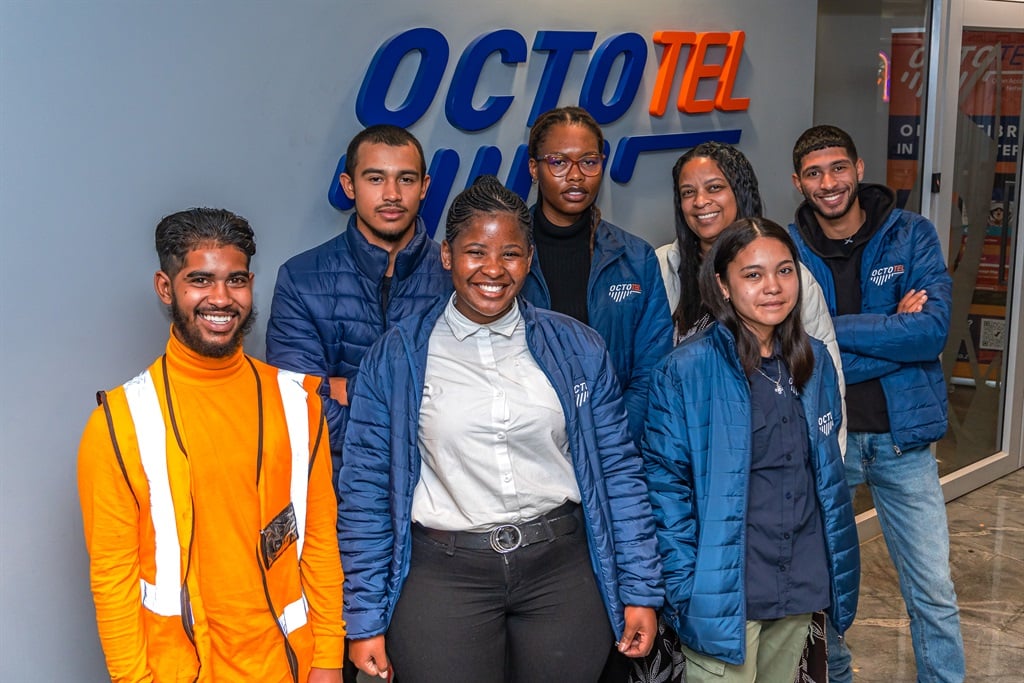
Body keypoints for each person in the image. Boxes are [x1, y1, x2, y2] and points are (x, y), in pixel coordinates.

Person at [338, 176, 663, 683]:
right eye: (476, 252)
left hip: (561, 574)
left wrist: (641, 590)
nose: (493, 269)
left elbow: (619, 472)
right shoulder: (398, 355)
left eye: (510, 253)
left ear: (529, 259)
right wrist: (364, 619)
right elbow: (366, 493)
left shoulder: (578, 347)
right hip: (444, 576)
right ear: (447, 256)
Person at [77, 208, 344, 682]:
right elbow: (112, 578)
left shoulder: (297, 403)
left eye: (235, 280)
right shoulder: (120, 422)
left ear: (250, 284)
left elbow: (321, 540)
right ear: (165, 288)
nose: (221, 298)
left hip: (289, 666)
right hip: (181, 670)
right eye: (200, 280)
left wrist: (327, 659)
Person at [644, 217, 860, 683]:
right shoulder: (685, 370)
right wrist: (686, 588)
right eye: (753, 274)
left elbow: (825, 477)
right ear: (722, 285)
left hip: (799, 578)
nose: (773, 287)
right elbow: (665, 491)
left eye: (784, 271)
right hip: (726, 590)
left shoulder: (816, 361)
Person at [789, 124, 964, 683]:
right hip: (825, 440)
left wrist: (832, 330)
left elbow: (930, 335)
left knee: (933, 588)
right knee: (823, 584)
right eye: (814, 173)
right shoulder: (788, 250)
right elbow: (796, 351)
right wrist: (891, 331)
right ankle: (836, 675)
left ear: (859, 168)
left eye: (838, 167)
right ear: (798, 182)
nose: (828, 182)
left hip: (901, 440)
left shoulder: (910, 234)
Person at [266, 124, 452, 481]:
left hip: (436, 491)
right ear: (349, 185)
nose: (392, 194)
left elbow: (473, 396)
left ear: (424, 187)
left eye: (406, 179)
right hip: (340, 488)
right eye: (376, 179)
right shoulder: (301, 278)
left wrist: (348, 388)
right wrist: (409, 422)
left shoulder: (455, 277)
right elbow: (301, 407)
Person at [655, 141, 845, 454]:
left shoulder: (791, 277)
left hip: (779, 452)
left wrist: (829, 462)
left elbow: (827, 380)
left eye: (714, 187)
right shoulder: (662, 268)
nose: (700, 201)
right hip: (694, 451)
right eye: (688, 192)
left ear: (740, 192)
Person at [521, 106, 672, 444]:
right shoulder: (507, 258)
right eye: (559, 162)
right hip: (530, 446)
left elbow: (651, 371)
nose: (576, 175)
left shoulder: (636, 258)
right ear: (534, 168)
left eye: (589, 162)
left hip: (615, 444)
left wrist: (607, 440)